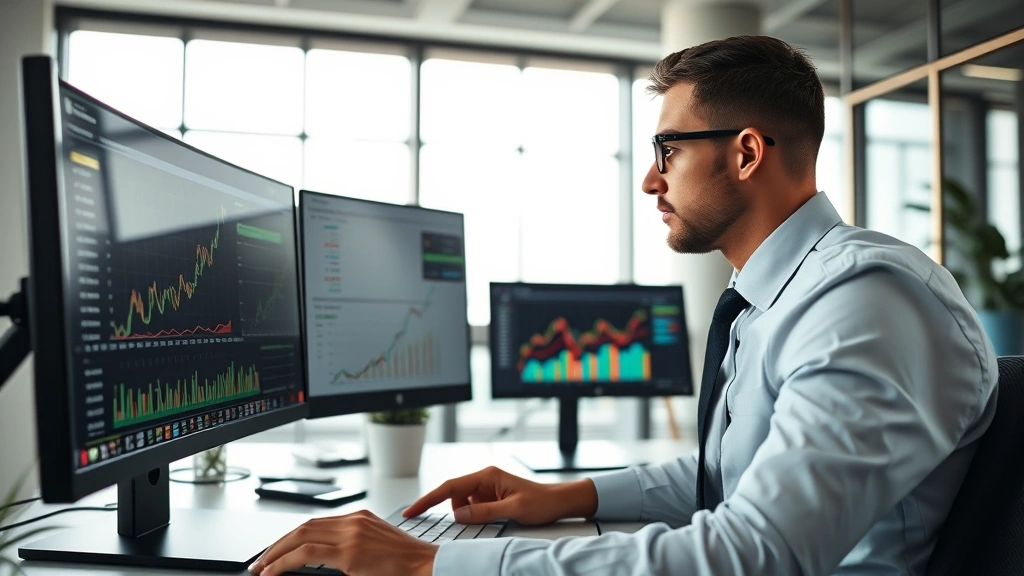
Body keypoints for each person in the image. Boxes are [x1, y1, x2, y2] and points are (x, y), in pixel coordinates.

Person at [248, 35, 998, 576]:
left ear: (744, 153)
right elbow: (727, 476)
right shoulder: (782, 296)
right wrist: (564, 495)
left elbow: (757, 553)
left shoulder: (863, 301)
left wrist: (430, 566)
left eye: (667, 150)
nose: (649, 179)